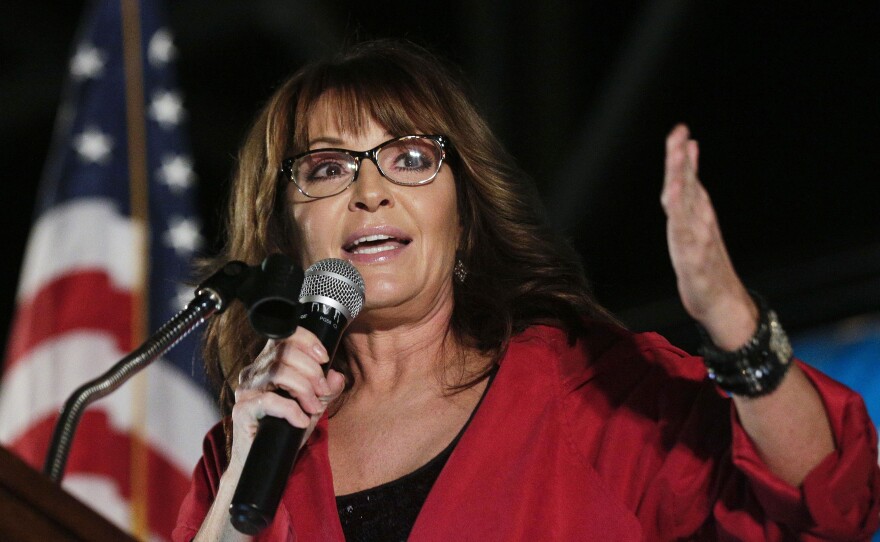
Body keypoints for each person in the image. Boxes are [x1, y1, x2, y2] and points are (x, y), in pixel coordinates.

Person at [173, 40, 880, 541]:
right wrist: (243, 473)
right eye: (327, 169)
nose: (370, 192)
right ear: (284, 230)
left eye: (411, 158)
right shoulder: (246, 440)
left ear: (465, 214)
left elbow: (827, 501)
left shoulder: (589, 392)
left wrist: (730, 317)